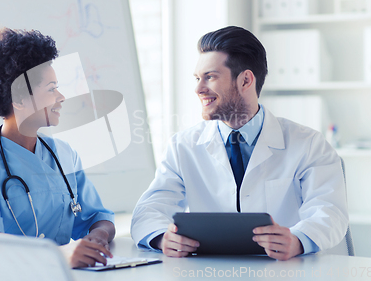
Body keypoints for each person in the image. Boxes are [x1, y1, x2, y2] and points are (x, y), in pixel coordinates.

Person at [130, 26, 348, 261]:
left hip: (283, 271)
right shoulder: (183, 146)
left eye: (210, 77)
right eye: (197, 78)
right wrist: (163, 238)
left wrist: (298, 240)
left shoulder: (308, 144)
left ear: (245, 80)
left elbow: (330, 211)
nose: (198, 88)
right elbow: (148, 210)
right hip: (206, 273)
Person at [0, 28, 115, 268]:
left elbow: (98, 217)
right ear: (18, 98)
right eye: (51, 88)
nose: (60, 97)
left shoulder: (64, 155)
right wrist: (58, 256)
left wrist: (96, 238)